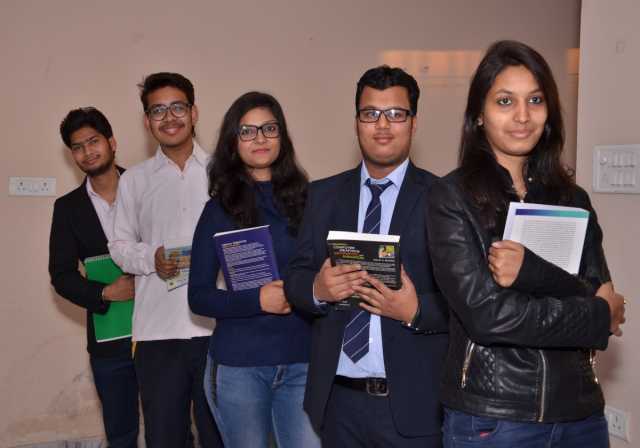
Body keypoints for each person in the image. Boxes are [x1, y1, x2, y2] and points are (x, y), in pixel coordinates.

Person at [426, 40, 627, 448]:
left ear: (549, 112)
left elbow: (603, 299)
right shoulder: (452, 198)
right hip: (495, 417)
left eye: (535, 100)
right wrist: (594, 316)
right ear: (479, 114)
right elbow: (489, 317)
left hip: (581, 414)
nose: (522, 115)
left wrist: (531, 273)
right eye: (505, 101)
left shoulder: (573, 198)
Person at [285, 66, 449, 447]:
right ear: (356, 122)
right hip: (337, 404)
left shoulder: (444, 199)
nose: (382, 125)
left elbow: (467, 302)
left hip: (413, 407)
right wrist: (317, 288)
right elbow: (295, 277)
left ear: (414, 122)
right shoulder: (322, 195)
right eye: (370, 113)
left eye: (396, 113)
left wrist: (415, 310)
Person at [188, 91, 320, 447]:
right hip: (239, 367)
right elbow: (198, 297)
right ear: (233, 142)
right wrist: (257, 300)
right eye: (247, 131)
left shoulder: (311, 200)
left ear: (282, 136)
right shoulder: (218, 210)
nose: (260, 139)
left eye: (269, 128)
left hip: (303, 363)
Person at [108, 72, 221, 448]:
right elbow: (119, 245)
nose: (169, 117)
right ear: (147, 121)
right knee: (164, 437)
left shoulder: (224, 172)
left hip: (218, 328)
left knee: (221, 435)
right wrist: (150, 257)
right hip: (157, 333)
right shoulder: (134, 180)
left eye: (177, 107)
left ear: (194, 112)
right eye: (158, 110)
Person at [49, 107, 139, 448]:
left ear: (111, 142)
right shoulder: (67, 208)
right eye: (78, 147)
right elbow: (61, 275)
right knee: (121, 433)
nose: (87, 152)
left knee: (171, 427)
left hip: (160, 334)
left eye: (94, 141)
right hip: (109, 340)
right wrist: (104, 293)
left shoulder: (146, 188)